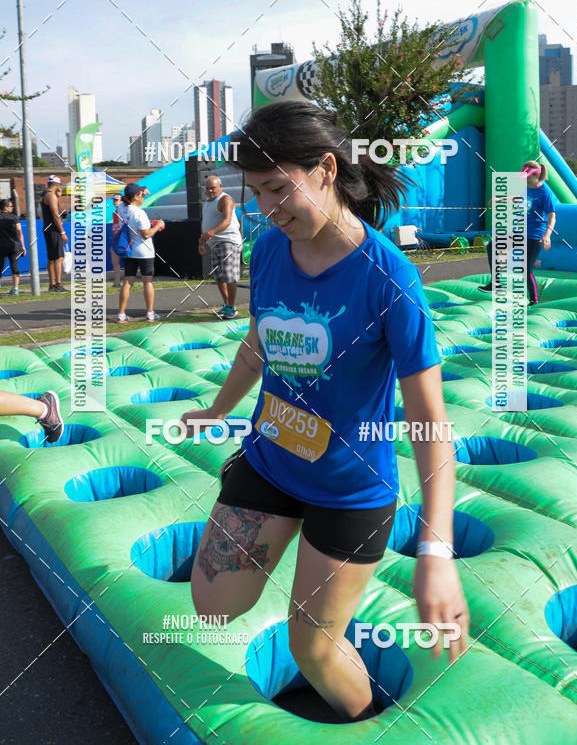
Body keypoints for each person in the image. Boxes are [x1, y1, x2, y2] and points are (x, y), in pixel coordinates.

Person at [181, 102, 468, 722]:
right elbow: (261, 341)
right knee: (212, 604)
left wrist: (436, 551)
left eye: (279, 189)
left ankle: (365, 722)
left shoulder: (388, 278)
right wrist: (218, 408)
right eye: (256, 193)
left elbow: (429, 420)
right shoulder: (269, 250)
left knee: (311, 647)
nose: (267, 208)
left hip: (349, 492)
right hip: (270, 460)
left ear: (327, 169)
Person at [478, 159, 556, 306]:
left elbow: (552, 216)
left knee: (525, 270)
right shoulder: (527, 188)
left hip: (533, 236)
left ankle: (534, 301)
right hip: (519, 232)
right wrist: (501, 199)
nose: (524, 179)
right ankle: (495, 284)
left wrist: (547, 235)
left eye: (526, 177)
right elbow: (520, 199)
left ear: (535, 176)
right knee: (492, 246)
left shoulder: (544, 193)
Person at [116, 183, 164, 323]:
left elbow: (136, 225)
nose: (144, 196)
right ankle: (150, 313)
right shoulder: (139, 213)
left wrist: (150, 223)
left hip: (129, 251)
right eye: (142, 194)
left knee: (128, 282)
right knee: (147, 282)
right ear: (136, 196)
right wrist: (158, 226)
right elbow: (146, 234)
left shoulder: (121, 208)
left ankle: (121, 314)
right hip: (144, 252)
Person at [198, 175, 243, 319]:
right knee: (219, 277)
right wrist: (202, 243)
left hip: (228, 241)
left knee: (229, 275)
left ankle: (231, 307)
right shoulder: (207, 202)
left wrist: (210, 232)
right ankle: (227, 305)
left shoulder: (225, 199)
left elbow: (227, 221)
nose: (210, 191)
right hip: (214, 242)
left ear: (220, 187)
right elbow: (206, 224)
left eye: (213, 188)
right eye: (208, 188)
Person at [40, 175, 68, 292]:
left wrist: (59, 197)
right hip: (54, 229)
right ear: (57, 185)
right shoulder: (51, 196)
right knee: (59, 257)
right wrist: (62, 232)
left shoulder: (44, 195)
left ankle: (52, 285)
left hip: (47, 228)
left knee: (51, 258)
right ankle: (58, 284)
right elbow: (56, 216)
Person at [0, 198, 26, 295]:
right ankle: (15, 288)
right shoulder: (14, 217)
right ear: (6, 207)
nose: (12, 208)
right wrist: (23, 246)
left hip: (1, 246)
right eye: (11, 206)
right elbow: (19, 232)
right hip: (14, 245)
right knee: (15, 267)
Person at [110, 193, 123, 287]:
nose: (114, 201)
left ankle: (118, 282)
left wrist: (115, 240)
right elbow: (115, 228)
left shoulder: (122, 211)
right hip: (119, 238)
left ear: (121, 201)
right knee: (115, 261)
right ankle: (117, 282)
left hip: (122, 238)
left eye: (116, 200)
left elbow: (118, 228)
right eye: (114, 200)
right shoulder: (115, 212)